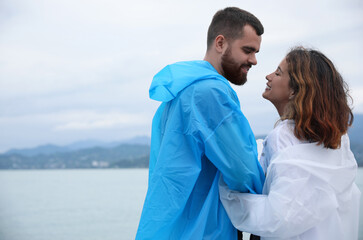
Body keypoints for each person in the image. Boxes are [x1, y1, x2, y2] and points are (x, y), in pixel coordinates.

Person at [136, 7, 265, 239]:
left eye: (256, 52)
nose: (254, 60)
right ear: (220, 43)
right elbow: (242, 170)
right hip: (206, 230)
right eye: (248, 50)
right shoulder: (211, 93)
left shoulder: (177, 93)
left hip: (173, 229)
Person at [219, 46, 361, 240]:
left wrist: (226, 192)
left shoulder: (283, 136)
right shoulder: (338, 141)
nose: (268, 76)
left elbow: (278, 217)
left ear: (295, 90)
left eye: (278, 73)